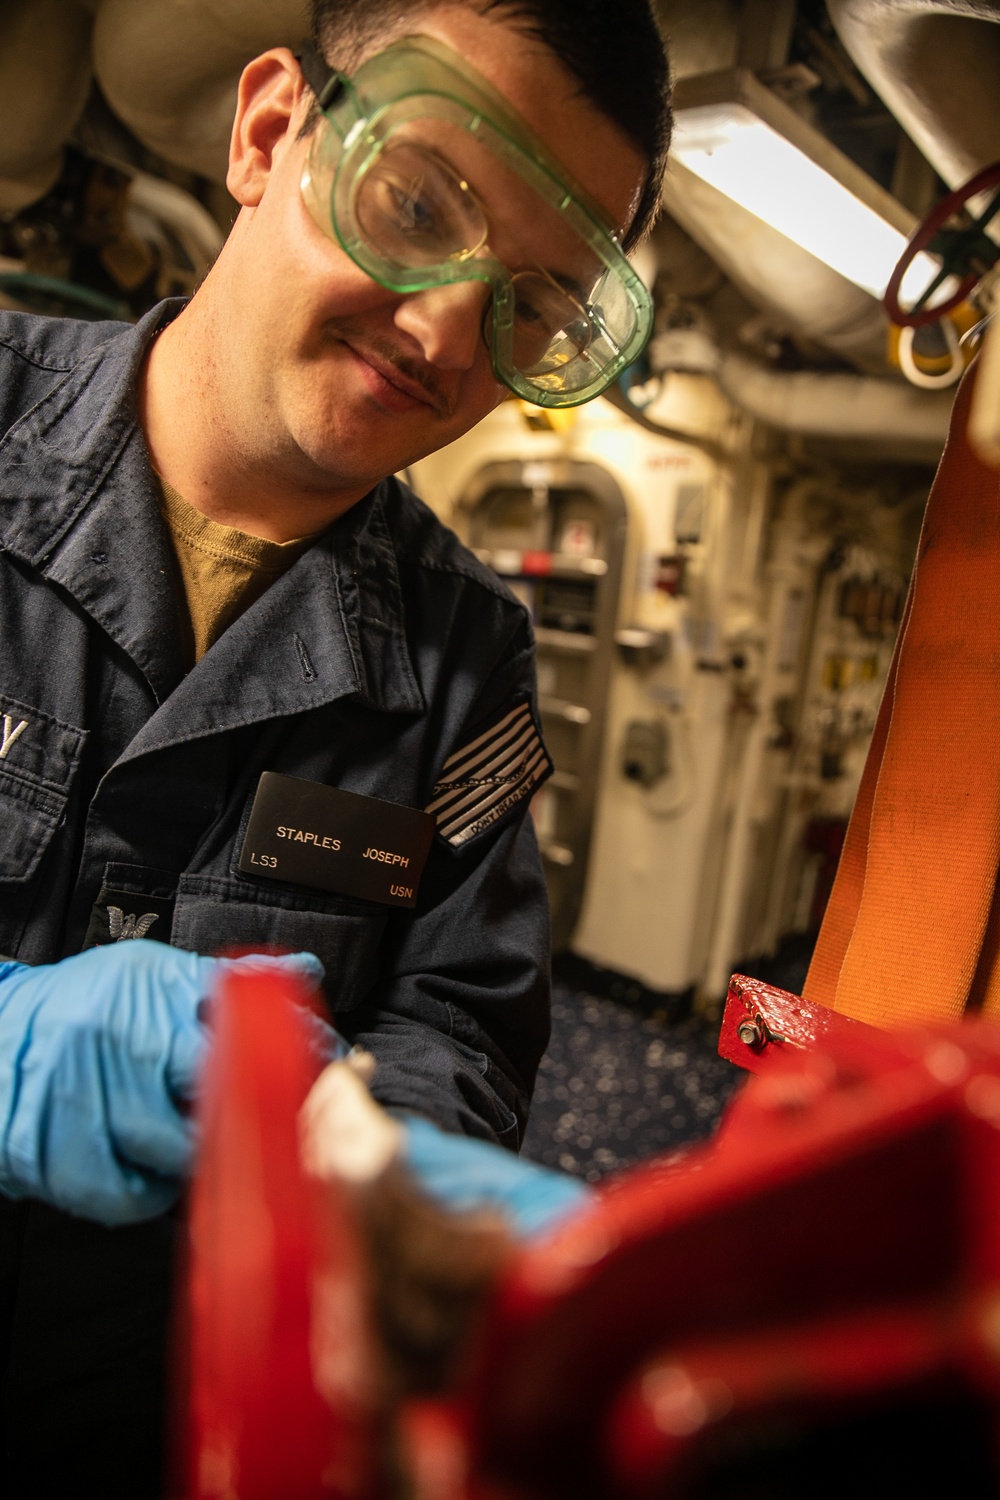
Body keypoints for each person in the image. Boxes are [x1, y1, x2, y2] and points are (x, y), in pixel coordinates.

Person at [0, 0, 671, 1492]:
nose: (445, 331)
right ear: (263, 135)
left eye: (533, 308)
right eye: (417, 203)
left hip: (175, 1419)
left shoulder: (467, 660)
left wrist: (375, 1179)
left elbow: (458, 1022)